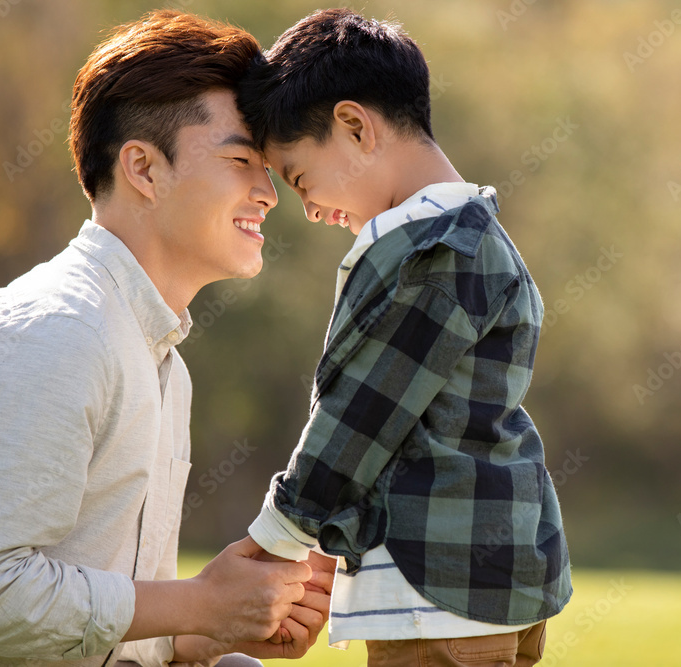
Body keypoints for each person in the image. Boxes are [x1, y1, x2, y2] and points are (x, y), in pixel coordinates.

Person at [0, 10, 331, 667]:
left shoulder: (162, 363)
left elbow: (101, 623)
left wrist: (212, 631)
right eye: (241, 160)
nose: (268, 193)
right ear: (144, 169)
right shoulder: (55, 336)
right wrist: (199, 604)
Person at [238, 8, 572, 666]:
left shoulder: (431, 251)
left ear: (355, 126)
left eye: (300, 178)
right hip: (482, 582)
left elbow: (364, 414)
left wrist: (275, 537)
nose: (308, 209)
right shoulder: (471, 234)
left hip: (440, 591)